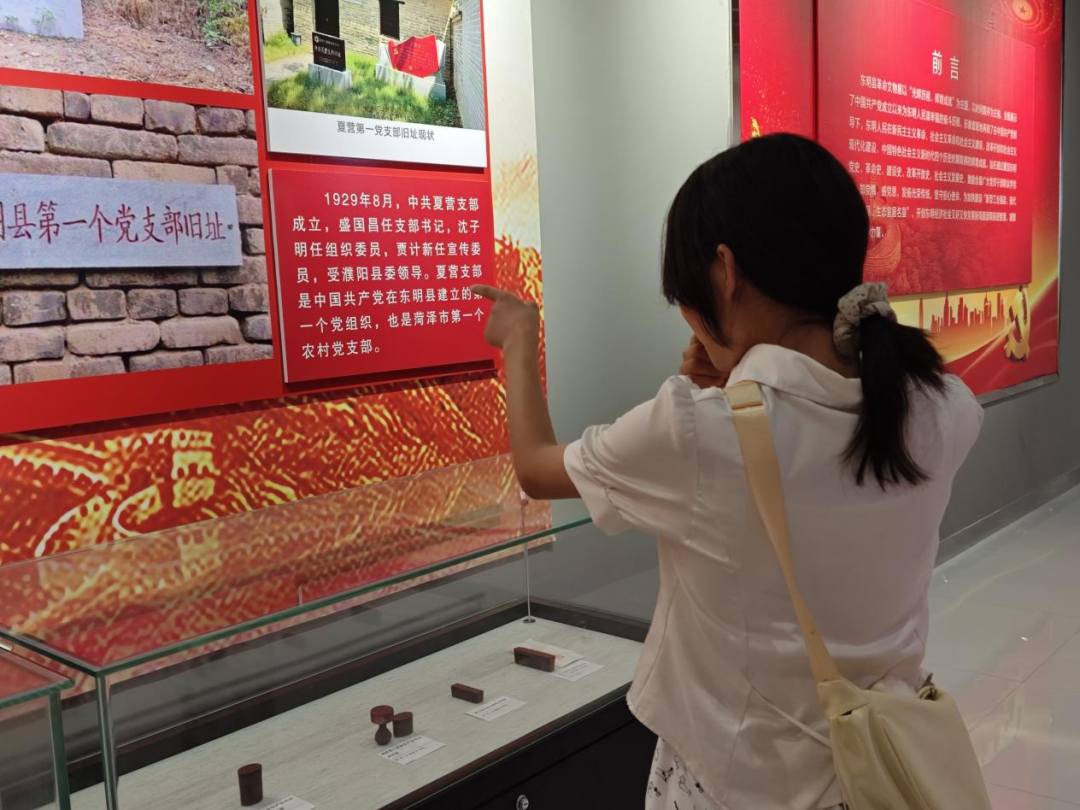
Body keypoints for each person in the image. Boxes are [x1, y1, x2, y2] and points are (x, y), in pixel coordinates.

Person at [471, 133, 983, 810]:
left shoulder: (696, 432)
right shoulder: (945, 406)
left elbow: (537, 469)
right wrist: (737, 377)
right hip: (881, 771)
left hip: (741, 783)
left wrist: (519, 340)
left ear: (724, 271)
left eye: (685, 295)